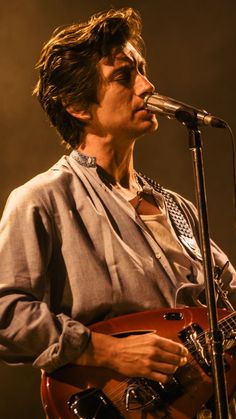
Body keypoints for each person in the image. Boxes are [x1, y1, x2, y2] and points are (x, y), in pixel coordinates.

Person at [0, 7, 235, 417]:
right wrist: (106, 351)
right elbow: (5, 313)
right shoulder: (41, 199)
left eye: (142, 70)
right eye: (125, 76)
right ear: (76, 103)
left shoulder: (177, 207)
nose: (147, 85)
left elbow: (225, 304)